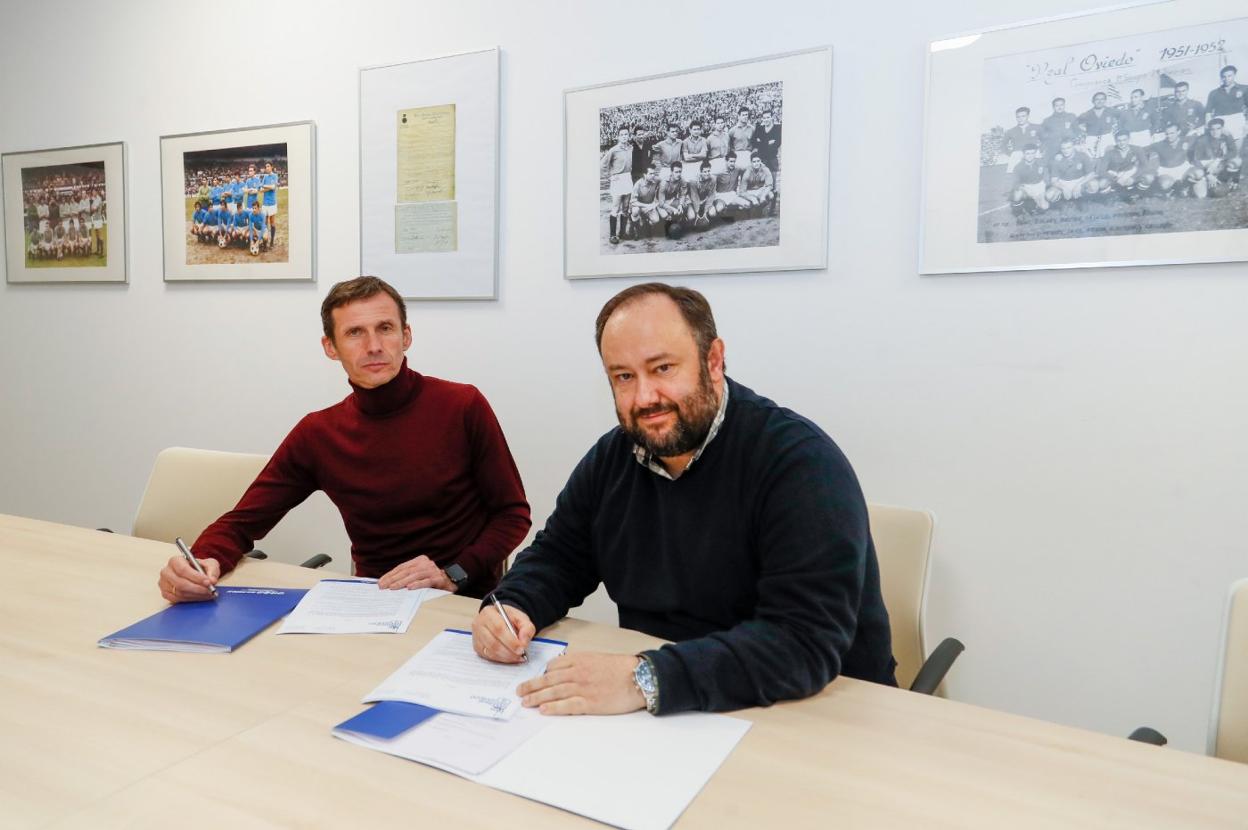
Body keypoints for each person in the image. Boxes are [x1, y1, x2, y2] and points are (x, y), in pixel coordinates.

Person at [471, 283, 896, 716]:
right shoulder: (612, 459)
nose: (644, 397)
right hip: (676, 712)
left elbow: (803, 642)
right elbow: (560, 557)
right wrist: (511, 605)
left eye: (662, 368)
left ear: (713, 361)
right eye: (623, 376)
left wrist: (644, 677)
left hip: (819, 713)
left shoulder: (799, 463)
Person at [157, 276, 532, 603]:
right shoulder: (318, 433)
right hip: (374, 602)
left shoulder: (462, 405)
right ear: (330, 348)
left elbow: (512, 514)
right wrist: (201, 561)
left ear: (406, 336)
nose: (373, 346)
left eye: (385, 328)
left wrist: (454, 573)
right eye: (355, 333)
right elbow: (241, 523)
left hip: (464, 598)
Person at [600, 126, 633, 245]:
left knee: (625, 208)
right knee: (615, 208)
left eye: (626, 134)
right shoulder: (613, 150)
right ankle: (613, 235)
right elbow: (603, 165)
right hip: (617, 179)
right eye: (622, 134)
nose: (624, 136)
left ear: (629, 136)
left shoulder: (631, 148)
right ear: (618, 136)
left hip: (627, 178)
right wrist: (610, 176)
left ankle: (622, 233)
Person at [1205, 65, 1248, 142]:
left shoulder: (1244, 88)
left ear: (1234, 75)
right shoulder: (1214, 93)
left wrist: (1247, 123)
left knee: (1238, 146)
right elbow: (1208, 112)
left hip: (1238, 120)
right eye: (1224, 77)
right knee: (1223, 147)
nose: (1226, 79)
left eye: (1229, 76)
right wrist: (1209, 127)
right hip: (1220, 122)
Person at [1078, 92, 1117, 159]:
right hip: (1092, 138)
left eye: (1102, 99)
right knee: (1094, 159)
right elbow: (1076, 123)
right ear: (1093, 101)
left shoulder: (1111, 111)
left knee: (1110, 158)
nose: (1100, 101)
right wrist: (1084, 130)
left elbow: (1122, 118)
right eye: (1097, 99)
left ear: (1105, 100)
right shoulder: (1087, 114)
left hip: (1107, 137)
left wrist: (1114, 128)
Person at [1002, 107, 1042, 172]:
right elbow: (1003, 145)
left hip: (1034, 154)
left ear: (1028, 116)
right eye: (1018, 117)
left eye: (1023, 116)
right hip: (1017, 156)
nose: (1020, 119)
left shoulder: (1037, 127)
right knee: (1014, 176)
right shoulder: (1011, 131)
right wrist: (1011, 154)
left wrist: (1040, 151)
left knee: (1037, 175)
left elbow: (1046, 141)